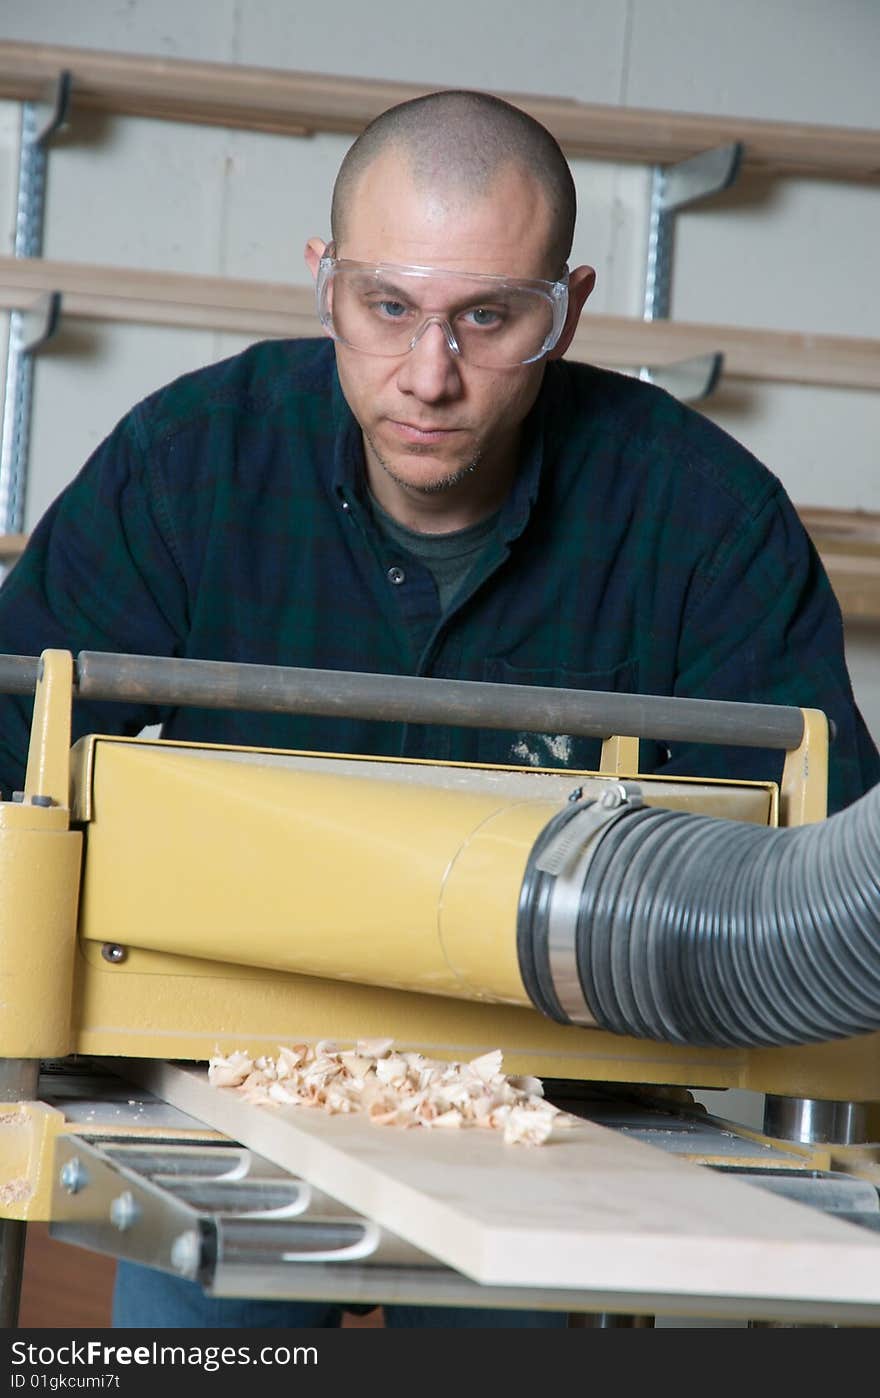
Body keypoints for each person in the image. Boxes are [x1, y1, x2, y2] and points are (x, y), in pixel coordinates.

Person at [0, 90, 877, 1328]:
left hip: (565, 1129)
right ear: (324, 282)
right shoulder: (190, 461)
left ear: (564, 309)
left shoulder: (700, 518)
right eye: (389, 309)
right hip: (215, 1108)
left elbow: (832, 878)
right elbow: (7, 760)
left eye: (488, 318)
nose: (430, 375)